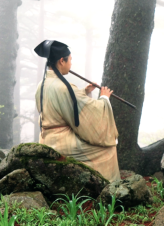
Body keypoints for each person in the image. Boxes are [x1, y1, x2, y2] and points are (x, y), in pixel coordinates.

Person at [34, 40, 120, 181]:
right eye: (70, 60)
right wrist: (104, 98)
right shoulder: (63, 86)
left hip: (45, 139)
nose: (71, 64)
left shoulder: (42, 84)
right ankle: (106, 188)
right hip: (62, 142)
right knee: (107, 148)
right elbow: (83, 109)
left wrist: (85, 92)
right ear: (62, 61)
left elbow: (65, 104)